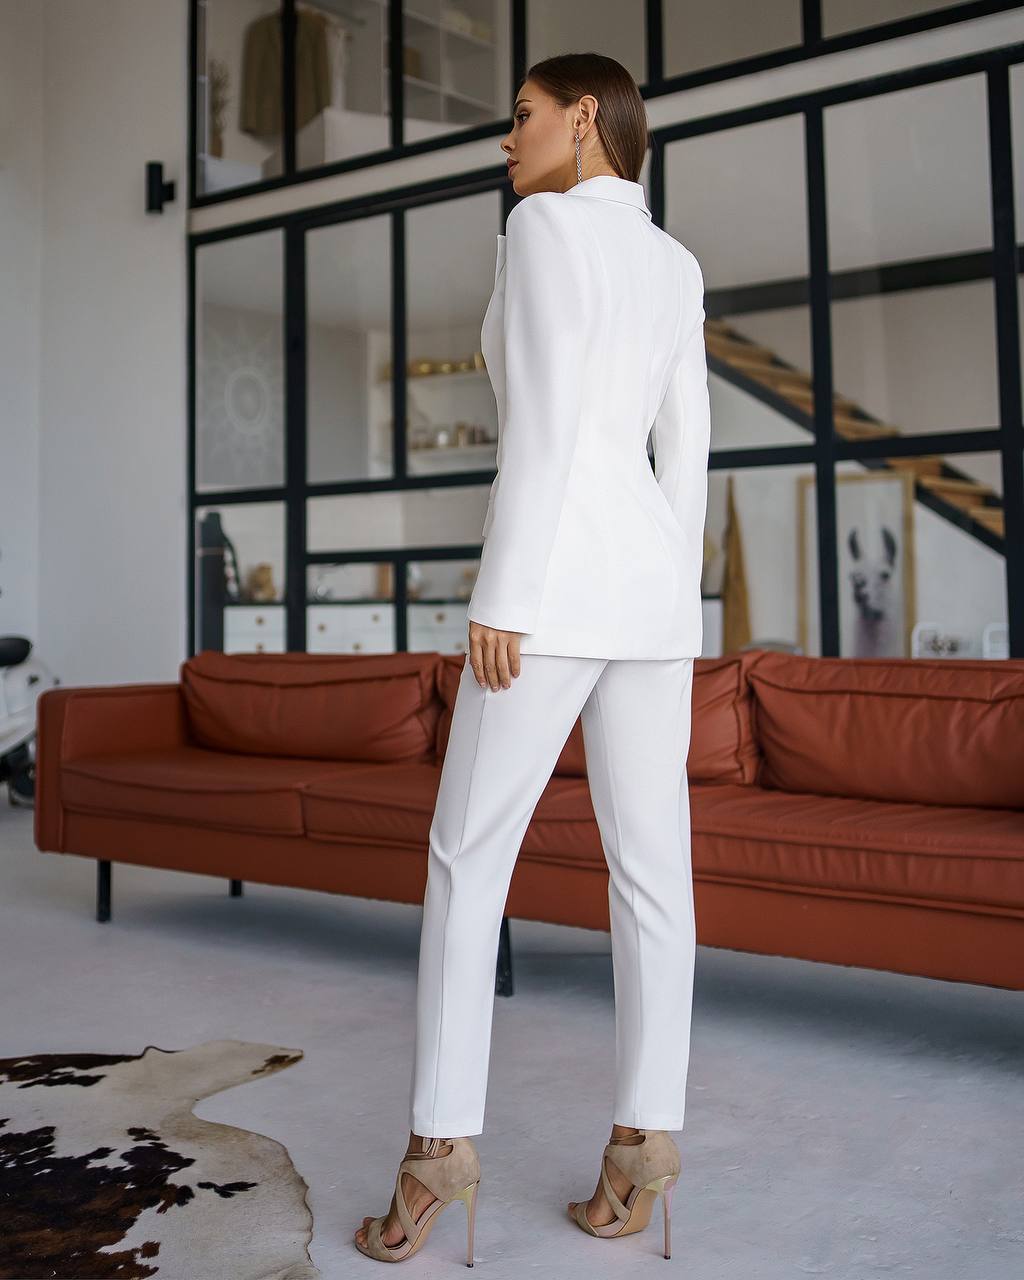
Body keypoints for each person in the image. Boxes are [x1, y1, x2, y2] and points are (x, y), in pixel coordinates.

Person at [355, 50, 710, 1265]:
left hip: (550, 590)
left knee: (467, 859)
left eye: (519, 118)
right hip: (655, 598)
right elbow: (690, 450)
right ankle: (642, 1144)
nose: (506, 142)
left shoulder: (542, 227)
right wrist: (685, 598)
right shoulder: (675, 262)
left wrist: (501, 588)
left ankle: (436, 1154)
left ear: (584, 119)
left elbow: (550, 418)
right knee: (653, 875)